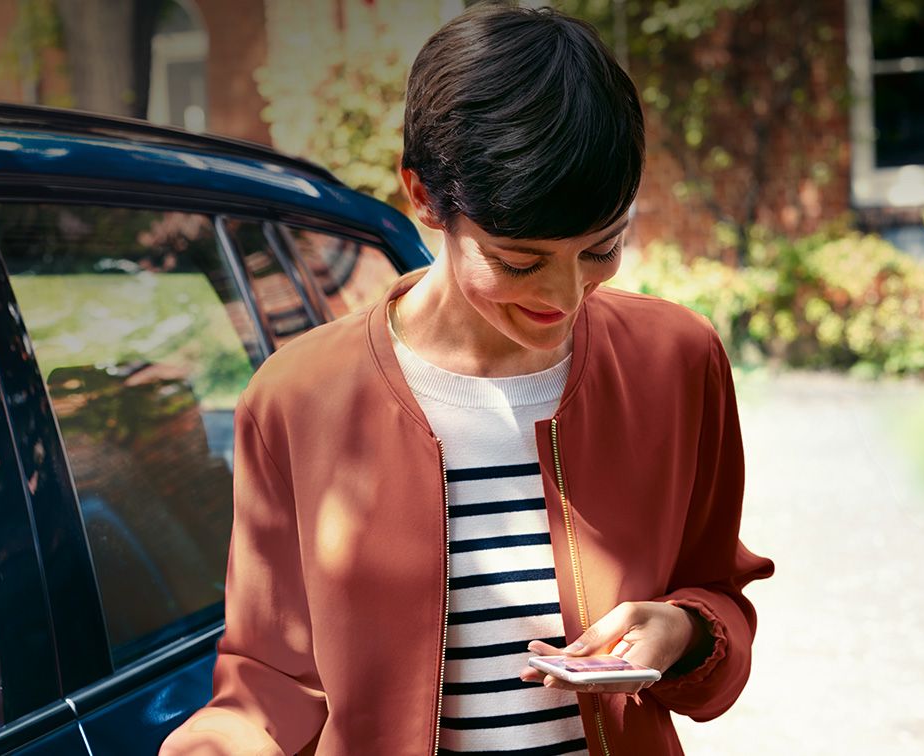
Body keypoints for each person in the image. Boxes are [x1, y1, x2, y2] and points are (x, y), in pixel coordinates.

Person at [160, 4, 773, 755]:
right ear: (421, 196)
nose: (565, 296)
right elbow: (270, 681)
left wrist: (681, 629)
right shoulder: (295, 399)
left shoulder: (677, 360)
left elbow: (720, 600)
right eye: (520, 261)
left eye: (601, 249)